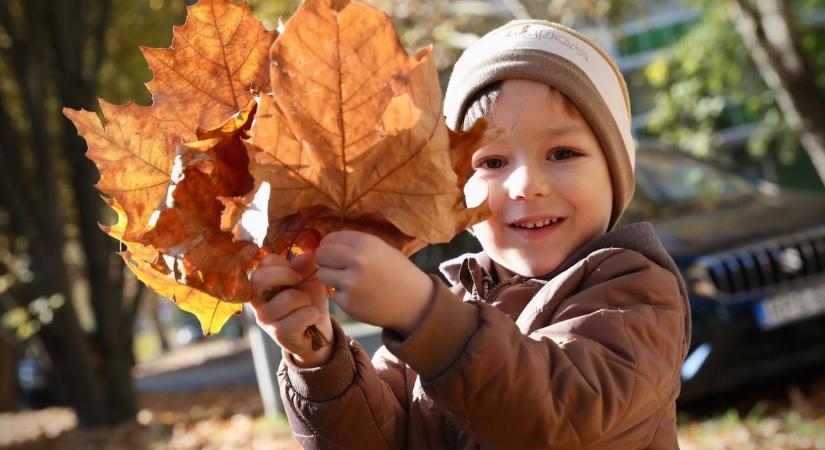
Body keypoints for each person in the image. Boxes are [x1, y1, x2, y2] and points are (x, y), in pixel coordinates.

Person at [249, 19, 690, 450]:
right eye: (493, 162)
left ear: (616, 173)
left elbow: (559, 419)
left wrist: (421, 313)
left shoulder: (638, 294)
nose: (525, 185)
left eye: (562, 153)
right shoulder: (450, 306)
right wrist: (319, 356)